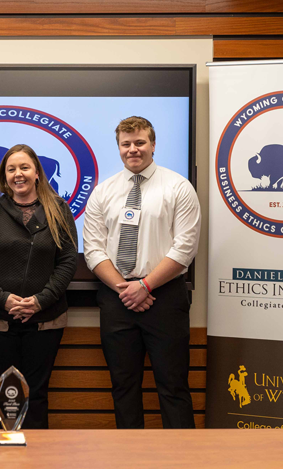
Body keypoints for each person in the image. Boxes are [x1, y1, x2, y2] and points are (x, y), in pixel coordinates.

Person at [83, 116, 201, 429]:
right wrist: (127, 289)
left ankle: (180, 462)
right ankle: (129, 460)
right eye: (126, 144)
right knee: (123, 388)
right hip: (117, 300)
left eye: (140, 143)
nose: (133, 149)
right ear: (119, 147)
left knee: (173, 387)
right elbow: (94, 250)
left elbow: (184, 248)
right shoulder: (103, 191)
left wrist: (146, 286)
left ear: (153, 145)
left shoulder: (178, 187)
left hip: (165, 298)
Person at [0, 144, 77, 429]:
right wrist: (4, 299)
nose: (19, 174)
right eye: (11, 169)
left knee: (38, 394)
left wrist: (40, 301)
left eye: (25, 168)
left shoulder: (59, 210)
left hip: (45, 318)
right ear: (4, 177)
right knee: (5, 391)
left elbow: (67, 262)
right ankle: (2, 457)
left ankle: (37, 458)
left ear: (38, 173)